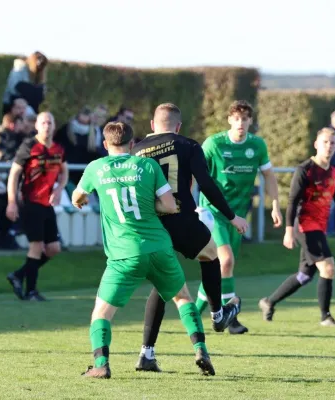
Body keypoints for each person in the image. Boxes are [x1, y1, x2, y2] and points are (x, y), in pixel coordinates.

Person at [72, 122, 216, 379]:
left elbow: (77, 197)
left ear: (105, 144)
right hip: (159, 247)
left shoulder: (96, 168)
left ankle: (101, 364)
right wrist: (152, 207)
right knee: (183, 298)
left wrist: (83, 199)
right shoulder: (147, 166)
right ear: (131, 144)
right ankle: (201, 350)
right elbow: (171, 206)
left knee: (102, 312)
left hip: (123, 255)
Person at [130, 103, 247, 372]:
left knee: (162, 283)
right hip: (181, 220)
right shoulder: (188, 145)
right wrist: (231, 216)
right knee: (211, 254)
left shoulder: (135, 151)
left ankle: (147, 354)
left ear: (152, 125)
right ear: (178, 126)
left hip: (151, 227)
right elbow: (206, 184)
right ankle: (218, 314)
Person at [196, 100, 282, 334]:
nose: (240, 123)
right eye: (236, 118)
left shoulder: (257, 145)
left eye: (245, 119)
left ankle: (196, 313)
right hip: (213, 212)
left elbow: (269, 176)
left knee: (223, 268)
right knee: (226, 261)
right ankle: (228, 319)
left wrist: (275, 204)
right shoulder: (214, 144)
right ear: (229, 120)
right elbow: (196, 173)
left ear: (250, 121)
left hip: (239, 215)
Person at [259, 127, 335, 326]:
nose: (329, 146)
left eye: (333, 143)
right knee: (328, 268)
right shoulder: (305, 169)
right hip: (304, 226)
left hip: (319, 227)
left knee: (304, 275)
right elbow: (293, 201)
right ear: (316, 144)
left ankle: (269, 302)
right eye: (325, 142)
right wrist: (288, 231)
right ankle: (325, 317)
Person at [5, 112, 67, 301]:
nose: (47, 126)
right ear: (37, 126)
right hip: (29, 202)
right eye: (43, 122)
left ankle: (19, 275)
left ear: (54, 126)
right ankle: (31, 291)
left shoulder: (58, 149)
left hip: (46, 203)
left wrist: (59, 190)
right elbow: (14, 173)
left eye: (50, 122)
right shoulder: (29, 146)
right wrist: (11, 202)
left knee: (54, 248)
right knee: (37, 246)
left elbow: (64, 171)